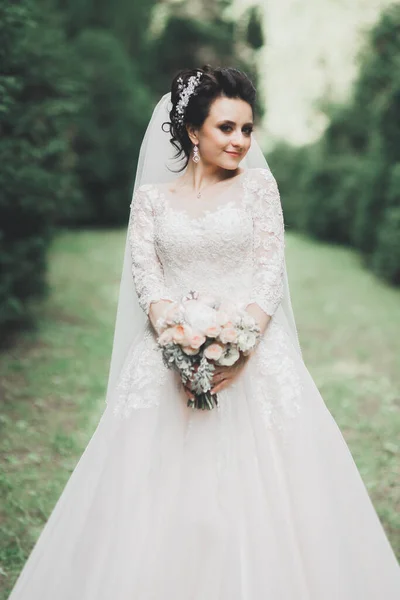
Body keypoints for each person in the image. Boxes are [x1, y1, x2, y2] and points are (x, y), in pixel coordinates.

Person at [7, 65, 400, 599]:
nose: (239, 141)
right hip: (168, 359)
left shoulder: (259, 187)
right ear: (193, 131)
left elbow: (268, 273)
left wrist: (239, 348)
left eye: (246, 129)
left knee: (269, 497)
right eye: (226, 128)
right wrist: (178, 345)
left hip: (256, 357)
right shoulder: (150, 201)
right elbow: (149, 280)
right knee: (154, 500)